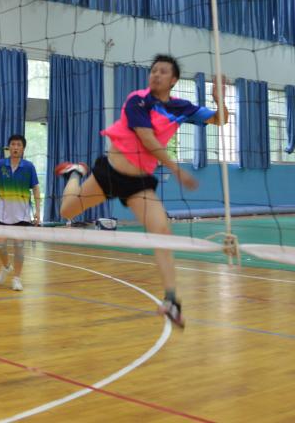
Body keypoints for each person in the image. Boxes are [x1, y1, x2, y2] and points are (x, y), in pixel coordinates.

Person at [56, 54, 225, 327]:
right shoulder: (138, 99)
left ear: (174, 80)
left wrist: (219, 100)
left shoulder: (181, 107)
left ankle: (172, 301)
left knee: (162, 232)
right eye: (153, 70)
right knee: (66, 211)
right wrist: (176, 169)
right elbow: (147, 139)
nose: (156, 74)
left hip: (138, 184)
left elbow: (220, 120)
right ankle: (75, 172)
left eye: (163, 71)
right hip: (109, 174)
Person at [0, 135, 41, 292]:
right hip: (1, 213)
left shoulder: (29, 167)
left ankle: (17, 278)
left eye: (18, 145)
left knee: (19, 246)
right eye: (13, 144)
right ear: (9, 147)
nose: (15, 147)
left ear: (23, 148)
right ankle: (6, 266)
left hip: (22, 214)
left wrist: (38, 211)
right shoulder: (0, 165)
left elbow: (36, 188)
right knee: (0, 245)